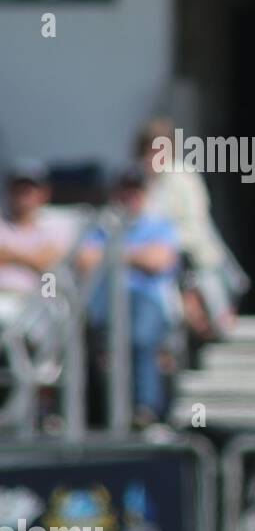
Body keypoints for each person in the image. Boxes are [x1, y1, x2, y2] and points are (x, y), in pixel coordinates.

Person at [75, 168, 181, 427]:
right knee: (100, 343)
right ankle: (104, 415)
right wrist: (136, 256)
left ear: (145, 194)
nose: (130, 197)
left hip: (148, 301)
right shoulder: (101, 226)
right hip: (106, 303)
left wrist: (112, 255)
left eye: (136, 191)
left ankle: (145, 409)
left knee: (140, 337)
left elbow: (159, 260)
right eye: (125, 190)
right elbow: (84, 260)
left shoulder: (160, 225)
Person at [136, 117, 243, 342]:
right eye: (149, 150)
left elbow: (195, 225)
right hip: (154, 269)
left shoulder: (183, 178)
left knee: (211, 324)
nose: (153, 156)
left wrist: (163, 245)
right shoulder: (140, 182)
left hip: (192, 264)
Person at [0, 161, 75, 326]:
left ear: (44, 193)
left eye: (28, 190)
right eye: (18, 189)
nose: (23, 195)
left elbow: (50, 263)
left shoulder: (57, 225)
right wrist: (31, 257)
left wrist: (10, 254)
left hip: (40, 303)